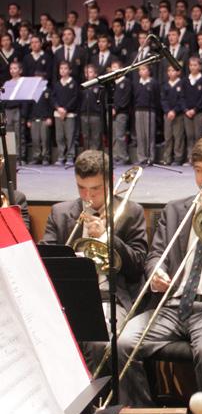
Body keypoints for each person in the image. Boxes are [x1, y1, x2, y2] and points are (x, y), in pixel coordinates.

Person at [117, 135, 202, 409]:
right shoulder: (175, 209)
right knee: (123, 344)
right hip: (170, 306)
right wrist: (156, 272)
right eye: (198, 170)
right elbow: (155, 254)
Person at [41, 149, 148, 376]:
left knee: (98, 342)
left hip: (110, 298)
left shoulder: (131, 212)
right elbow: (44, 260)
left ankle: (103, 396)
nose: (88, 196)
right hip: (68, 299)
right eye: (81, 188)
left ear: (110, 181)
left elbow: (138, 265)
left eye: (95, 189)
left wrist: (107, 237)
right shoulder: (60, 213)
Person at [52, 60, 79, 166]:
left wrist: (66, 109)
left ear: (70, 70)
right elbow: (53, 98)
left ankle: (70, 156)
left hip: (69, 114)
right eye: (61, 68)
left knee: (70, 136)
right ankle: (61, 156)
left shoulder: (73, 83)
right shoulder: (57, 84)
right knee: (59, 137)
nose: (63, 70)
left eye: (65, 68)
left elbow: (75, 98)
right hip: (58, 113)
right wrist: (58, 108)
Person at [181, 56, 202, 163]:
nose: (193, 67)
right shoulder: (185, 80)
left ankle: (199, 157)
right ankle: (190, 157)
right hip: (187, 113)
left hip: (198, 112)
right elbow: (182, 96)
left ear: (200, 67)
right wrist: (186, 110)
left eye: (195, 65)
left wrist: (195, 109)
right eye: (191, 65)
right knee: (189, 136)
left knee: (198, 136)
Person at [160, 64, 186, 166]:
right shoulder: (165, 85)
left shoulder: (181, 84)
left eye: (173, 71)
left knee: (178, 136)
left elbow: (182, 100)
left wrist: (175, 111)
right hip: (167, 115)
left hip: (178, 115)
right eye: (169, 71)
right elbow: (163, 100)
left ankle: (178, 158)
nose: (171, 73)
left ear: (178, 72)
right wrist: (168, 111)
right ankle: (167, 158)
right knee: (168, 137)